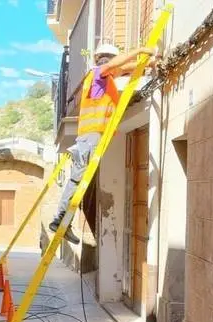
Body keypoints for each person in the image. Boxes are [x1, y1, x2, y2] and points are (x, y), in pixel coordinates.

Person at [50, 42, 157, 243]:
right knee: (77, 179)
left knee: (79, 179)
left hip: (92, 136)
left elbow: (124, 68)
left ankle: (62, 219)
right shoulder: (98, 74)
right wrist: (139, 50)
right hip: (90, 135)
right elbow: (116, 65)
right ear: (104, 60)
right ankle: (60, 220)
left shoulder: (106, 79)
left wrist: (149, 63)